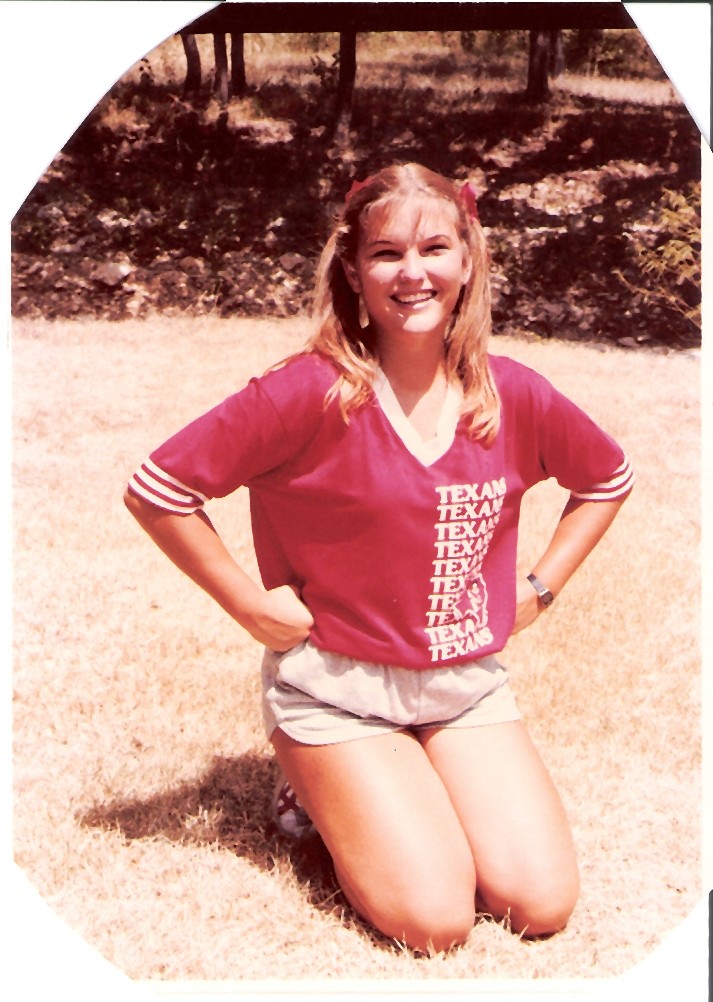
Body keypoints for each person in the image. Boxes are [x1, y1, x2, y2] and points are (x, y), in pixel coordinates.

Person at [124, 162, 633, 955]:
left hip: (462, 688)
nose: (413, 272)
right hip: (337, 688)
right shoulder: (309, 392)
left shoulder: (510, 396)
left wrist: (544, 585)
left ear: (468, 261)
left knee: (540, 903)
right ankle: (314, 797)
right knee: (435, 923)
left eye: (435, 247)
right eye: (386, 254)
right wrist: (248, 604)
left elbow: (606, 478)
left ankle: (411, 776)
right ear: (353, 273)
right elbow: (158, 488)